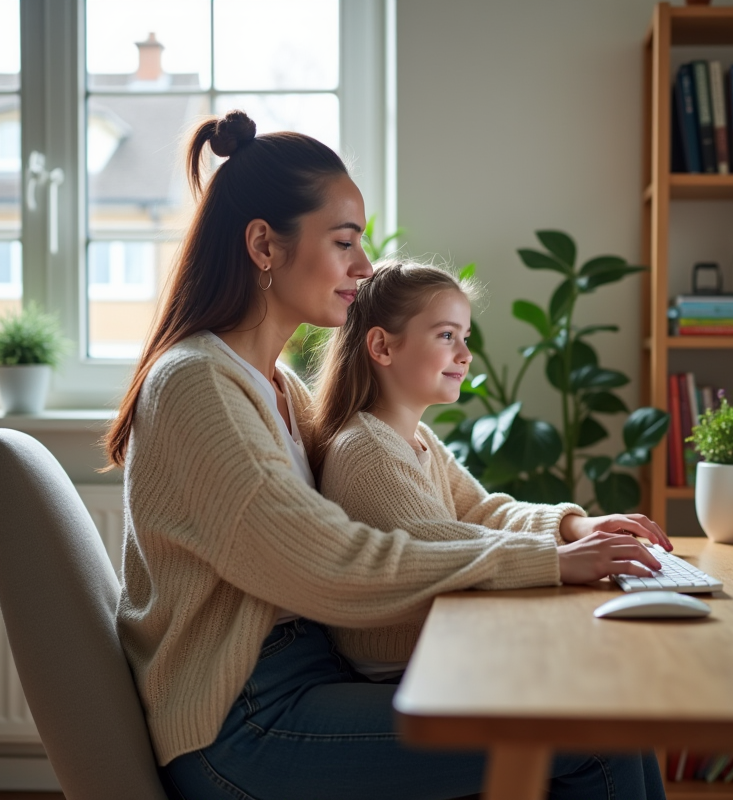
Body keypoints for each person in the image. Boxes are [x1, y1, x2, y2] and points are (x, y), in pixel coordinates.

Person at [105, 109, 669, 800]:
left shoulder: (275, 388)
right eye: (344, 242)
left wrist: (568, 530)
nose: (363, 267)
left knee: (604, 722)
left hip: (300, 685)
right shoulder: (197, 384)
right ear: (264, 245)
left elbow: (466, 507)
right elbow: (328, 561)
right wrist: (545, 562)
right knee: (595, 739)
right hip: (244, 723)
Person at [311, 260, 673, 682]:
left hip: (441, 647)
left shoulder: (413, 438)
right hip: (406, 671)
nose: (466, 355)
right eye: (447, 336)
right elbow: (441, 551)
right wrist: (556, 560)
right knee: (608, 705)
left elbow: (483, 514)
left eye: (464, 337)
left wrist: (575, 527)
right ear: (383, 347)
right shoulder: (367, 452)